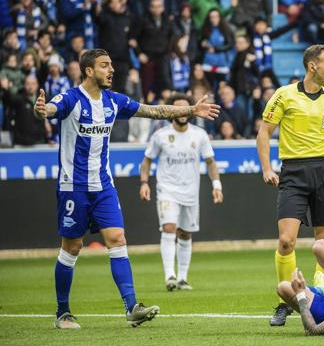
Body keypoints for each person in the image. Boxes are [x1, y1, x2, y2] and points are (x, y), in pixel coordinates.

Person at [33, 49, 220, 329]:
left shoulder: (113, 100)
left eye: (111, 65)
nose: (111, 70)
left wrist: (191, 110)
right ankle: (63, 312)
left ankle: (132, 307)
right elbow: (50, 109)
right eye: (104, 66)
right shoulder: (71, 98)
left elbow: (153, 110)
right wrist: (42, 110)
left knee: (118, 239)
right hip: (74, 187)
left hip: (104, 186)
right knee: (72, 247)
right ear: (88, 71)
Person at [256, 44, 324, 326]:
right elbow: (264, 132)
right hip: (293, 172)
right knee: (286, 240)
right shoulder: (284, 94)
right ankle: (284, 300)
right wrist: (267, 168)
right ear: (313, 66)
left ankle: (321, 295)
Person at [139, 93, 224, 291]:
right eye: (177, 108)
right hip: (167, 190)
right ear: (171, 112)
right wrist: (144, 182)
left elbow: (210, 162)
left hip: (190, 192)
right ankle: (170, 275)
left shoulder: (199, 135)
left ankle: (183, 278)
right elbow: (147, 161)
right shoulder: (160, 136)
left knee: (185, 234)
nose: (182, 112)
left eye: (186, 108)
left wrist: (217, 185)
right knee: (169, 228)